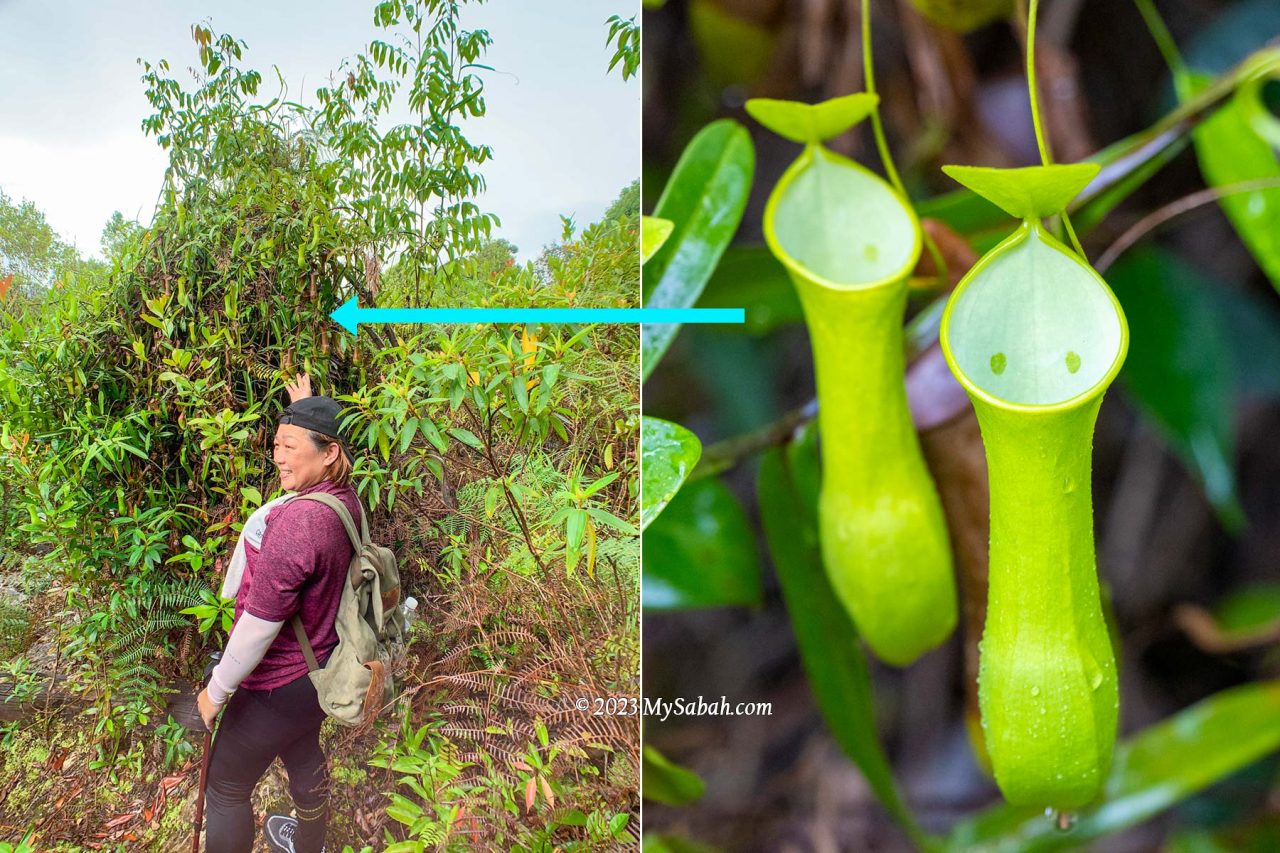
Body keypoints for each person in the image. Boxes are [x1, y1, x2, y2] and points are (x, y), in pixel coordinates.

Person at [197, 381, 360, 853]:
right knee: (304, 754)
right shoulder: (340, 500)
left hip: (276, 682)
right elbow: (306, 466)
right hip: (318, 672)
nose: (278, 457)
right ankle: (311, 845)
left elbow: (258, 625)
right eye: (275, 445)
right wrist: (301, 414)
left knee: (225, 789)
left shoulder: (300, 523)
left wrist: (215, 693)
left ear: (329, 452)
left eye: (288, 446)